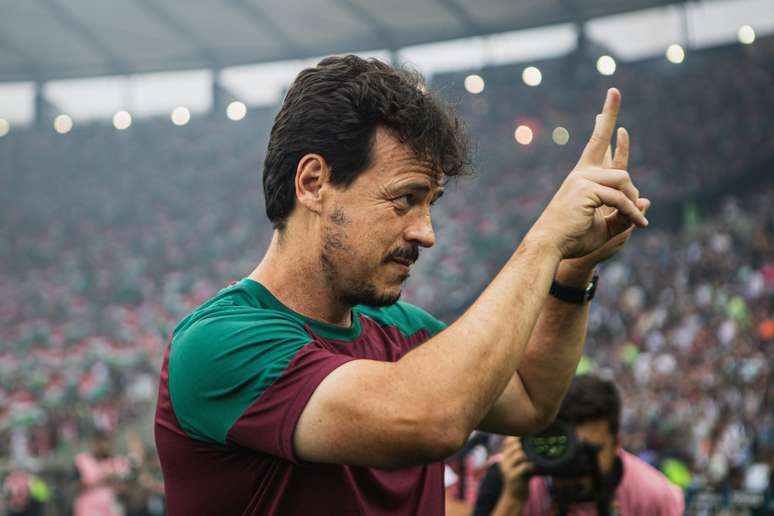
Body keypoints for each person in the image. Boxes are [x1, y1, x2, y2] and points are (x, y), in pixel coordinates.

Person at [154, 55, 650, 515]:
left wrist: (572, 270)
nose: (426, 233)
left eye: (430, 202)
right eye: (405, 199)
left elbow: (532, 400)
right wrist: (543, 242)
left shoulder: (404, 331)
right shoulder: (217, 344)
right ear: (312, 183)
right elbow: (430, 418)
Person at [472, 375, 684, 515]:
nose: (574, 463)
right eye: (563, 448)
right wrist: (513, 498)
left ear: (616, 444)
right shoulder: (508, 477)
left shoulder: (653, 496)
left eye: (588, 451)